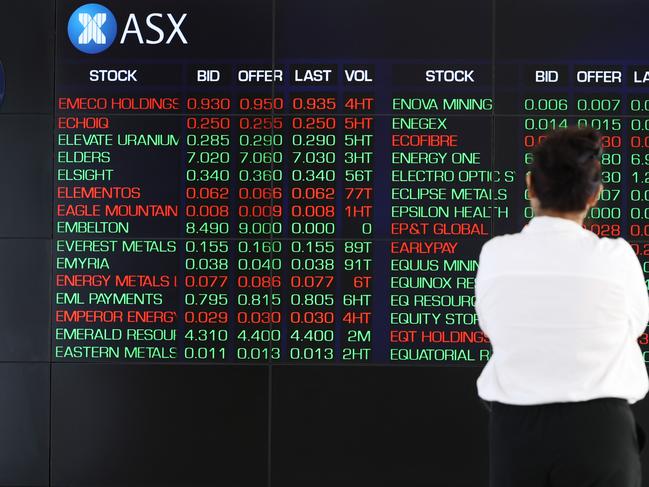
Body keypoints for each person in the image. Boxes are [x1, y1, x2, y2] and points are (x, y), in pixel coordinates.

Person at [475, 126, 649, 487]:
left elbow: (490, 326)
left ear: (531, 186)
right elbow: (634, 326)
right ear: (595, 195)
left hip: (516, 434)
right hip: (601, 434)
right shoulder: (617, 257)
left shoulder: (496, 254)